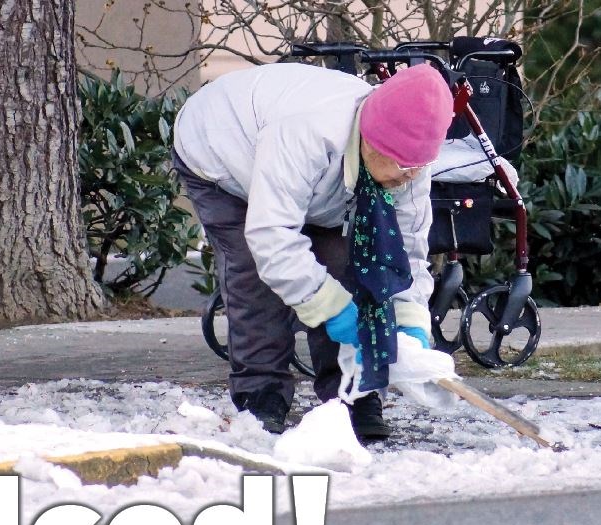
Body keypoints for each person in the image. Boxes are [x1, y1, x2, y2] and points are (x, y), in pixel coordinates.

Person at [172, 61, 453, 438]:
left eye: (422, 166)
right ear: (372, 140)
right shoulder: (307, 131)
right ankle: (261, 395)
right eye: (405, 165)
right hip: (221, 154)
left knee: (347, 264)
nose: (412, 176)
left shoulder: (411, 164)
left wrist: (410, 322)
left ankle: (354, 393)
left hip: (320, 185)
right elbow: (271, 236)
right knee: (256, 275)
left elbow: (405, 251)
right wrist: (333, 309)